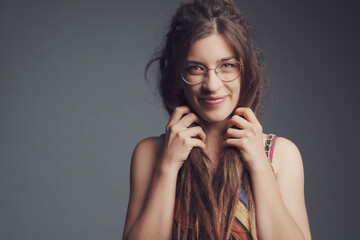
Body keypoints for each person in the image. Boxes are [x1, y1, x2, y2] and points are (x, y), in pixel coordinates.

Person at [122, 0, 311, 239]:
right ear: (178, 76)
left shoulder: (281, 155)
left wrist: (259, 166)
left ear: (246, 71)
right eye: (196, 68)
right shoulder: (150, 154)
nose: (212, 85)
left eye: (227, 66)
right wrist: (168, 167)